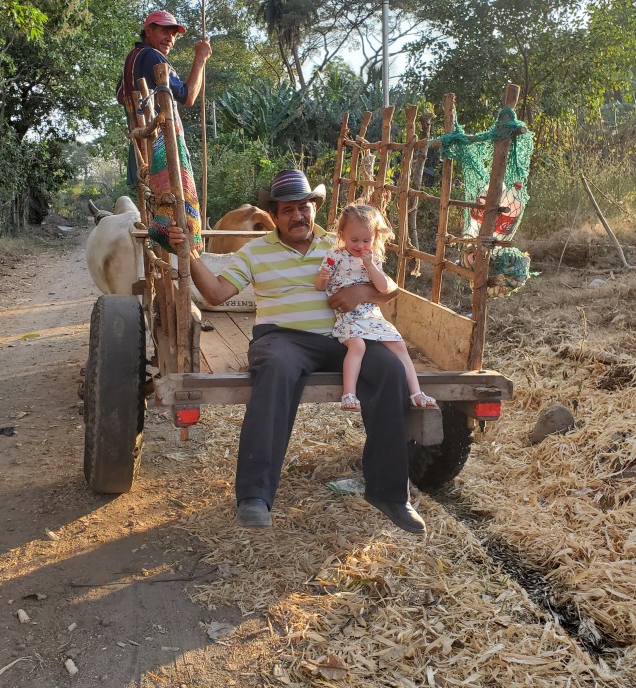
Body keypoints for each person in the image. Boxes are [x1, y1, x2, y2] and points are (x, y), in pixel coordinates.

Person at [166, 169, 426, 535]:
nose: (298, 216)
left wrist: (363, 293)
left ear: (314, 208)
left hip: (344, 336)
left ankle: (390, 494)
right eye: (287, 210)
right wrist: (190, 255)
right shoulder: (255, 251)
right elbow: (216, 294)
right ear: (273, 215)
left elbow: (389, 288)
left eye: (304, 207)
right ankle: (255, 496)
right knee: (274, 369)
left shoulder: (340, 243)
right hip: (282, 338)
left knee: (389, 370)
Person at [316, 202, 437, 412]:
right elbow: (320, 286)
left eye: (366, 240)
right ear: (342, 235)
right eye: (354, 240)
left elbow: (382, 288)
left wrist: (370, 265)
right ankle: (349, 394)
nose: (360, 245)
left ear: (374, 238)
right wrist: (323, 277)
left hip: (371, 315)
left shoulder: (373, 259)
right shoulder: (335, 256)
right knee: (358, 346)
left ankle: (416, 392)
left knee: (400, 346)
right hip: (348, 316)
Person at [116, 9, 212, 252]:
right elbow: (188, 96)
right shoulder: (152, 56)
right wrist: (200, 59)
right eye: (164, 31)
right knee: (178, 205)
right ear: (148, 30)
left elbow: (120, 95)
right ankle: (186, 248)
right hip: (161, 145)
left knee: (156, 203)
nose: (170, 38)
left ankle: (163, 243)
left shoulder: (133, 58)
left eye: (173, 34)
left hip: (141, 144)